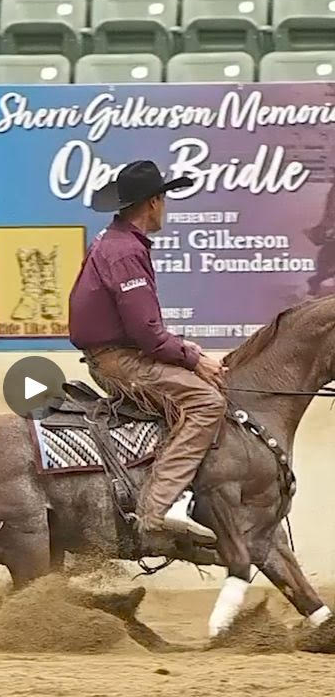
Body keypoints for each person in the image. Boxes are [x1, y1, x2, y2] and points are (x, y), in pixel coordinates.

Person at [69, 160, 227, 538]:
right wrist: (193, 357)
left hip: (116, 355)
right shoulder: (125, 252)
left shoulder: (116, 242)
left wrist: (182, 349)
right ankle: (163, 504)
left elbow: (145, 331)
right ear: (154, 202)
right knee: (207, 403)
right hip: (121, 363)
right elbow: (148, 334)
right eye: (164, 199)